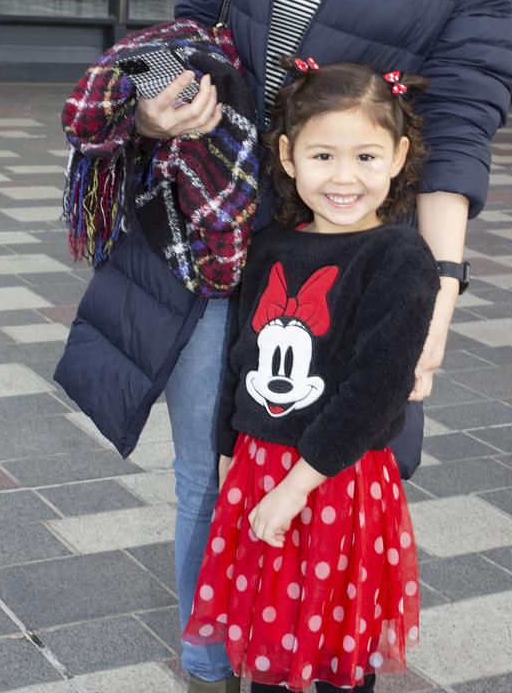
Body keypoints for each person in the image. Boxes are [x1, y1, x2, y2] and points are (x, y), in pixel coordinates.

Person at [59, 0, 512, 689]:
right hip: (218, 217)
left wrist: (441, 283)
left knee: (329, 459)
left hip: (346, 250)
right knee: (202, 463)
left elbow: (462, 115)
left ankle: (312, 653)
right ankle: (207, 648)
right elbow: (189, 31)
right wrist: (154, 108)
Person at [183, 59, 439, 690]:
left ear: (399, 156)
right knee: (267, 645)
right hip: (257, 469)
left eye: (366, 157)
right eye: (323, 156)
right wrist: (225, 451)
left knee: (334, 656)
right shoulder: (270, 245)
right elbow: (239, 363)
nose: (344, 178)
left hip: (337, 485)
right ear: (288, 157)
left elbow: (375, 394)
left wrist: (297, 486)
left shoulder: (399, 257)